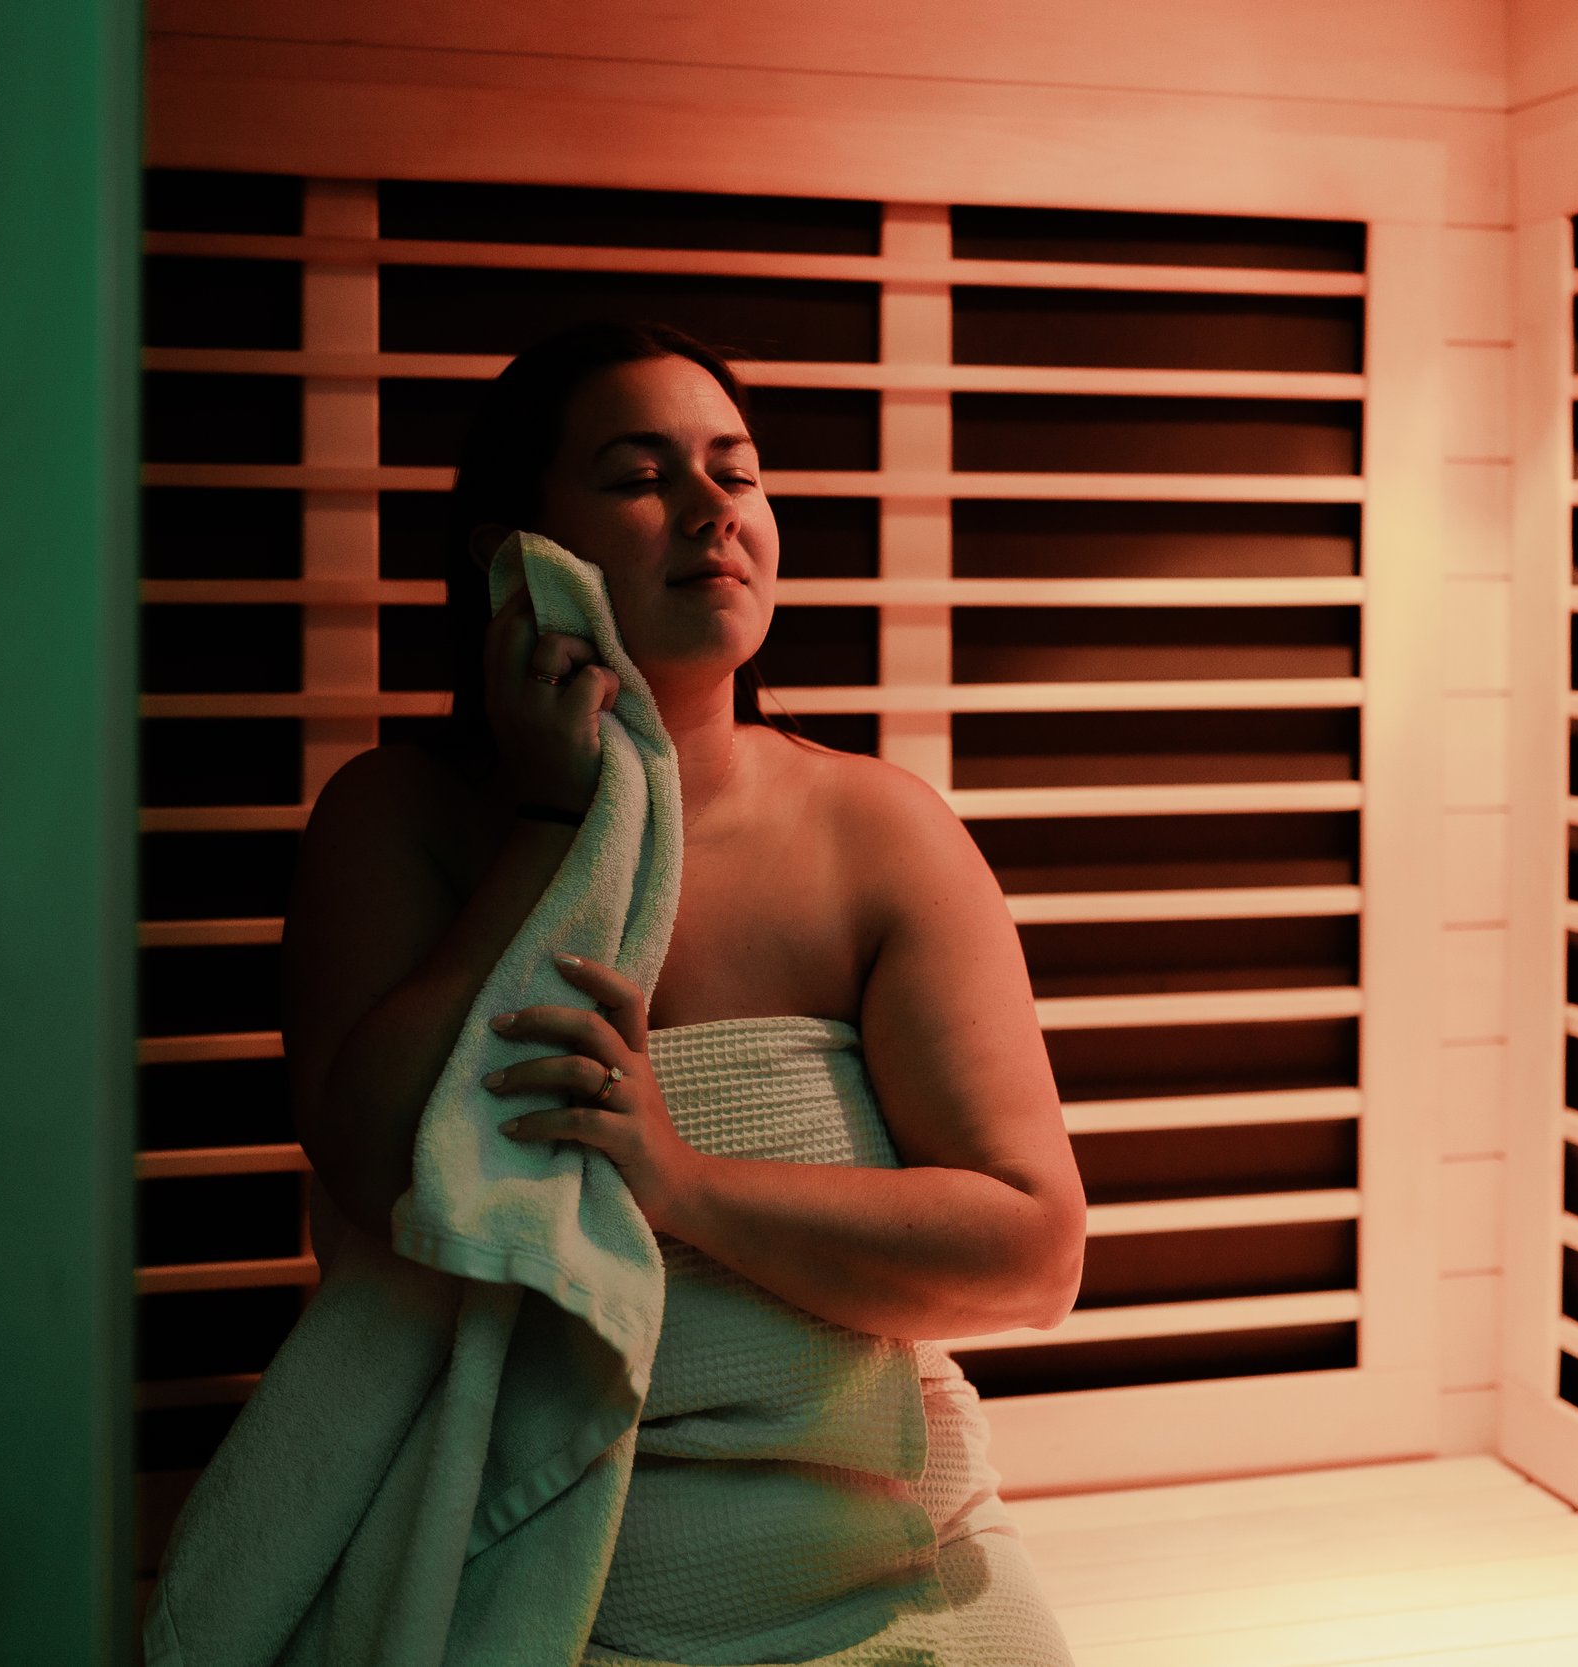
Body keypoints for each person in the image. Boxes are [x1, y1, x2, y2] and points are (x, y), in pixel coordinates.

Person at [279, 320, 1087, 1663]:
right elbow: (370, 1167)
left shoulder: (879, 833)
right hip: (522, 1548)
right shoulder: (396, 818)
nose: (715, 509)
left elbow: (1034, 1253)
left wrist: (682, 1183)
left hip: (875, 1541)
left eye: (738, 470)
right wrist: (553, 826)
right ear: (516, 556)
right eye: (641, 476)